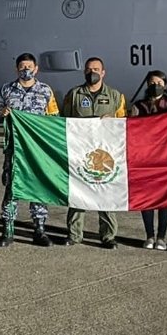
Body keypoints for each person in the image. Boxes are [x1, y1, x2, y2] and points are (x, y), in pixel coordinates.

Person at [0, 52, 59, 247]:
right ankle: (8, 229)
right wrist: (2, 113)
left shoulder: (45, 91)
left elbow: (54, 118)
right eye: (22, 67)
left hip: (37, 150)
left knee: (38, 187)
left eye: (29, 66)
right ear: (16, 69)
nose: (26, 70)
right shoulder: (7, 90)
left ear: (36, 69)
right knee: (12, 188)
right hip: (14, 148)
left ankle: (39, 229)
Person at [60, 57, 126, 248]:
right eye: (89, 69)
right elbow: (64, 121)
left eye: (96, 69)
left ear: (103, 72)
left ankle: (108, 236)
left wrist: (112, 117)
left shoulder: (115, 96)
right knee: (78, 192)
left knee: (106, 193)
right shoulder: (74, 94)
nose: (92, 72)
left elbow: (124, 123)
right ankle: (74, 235)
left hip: (106, 153)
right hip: (80, 153)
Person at [128, 70, 167, 250]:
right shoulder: (139, 106)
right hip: (145, 158)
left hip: (166, 159)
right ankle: (149, 235)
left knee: (164, 198)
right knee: (146, 197)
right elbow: (132, 127)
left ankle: (161, 237)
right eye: (152, 83)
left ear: (165, 85)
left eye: (159, 82)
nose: (155, 86)